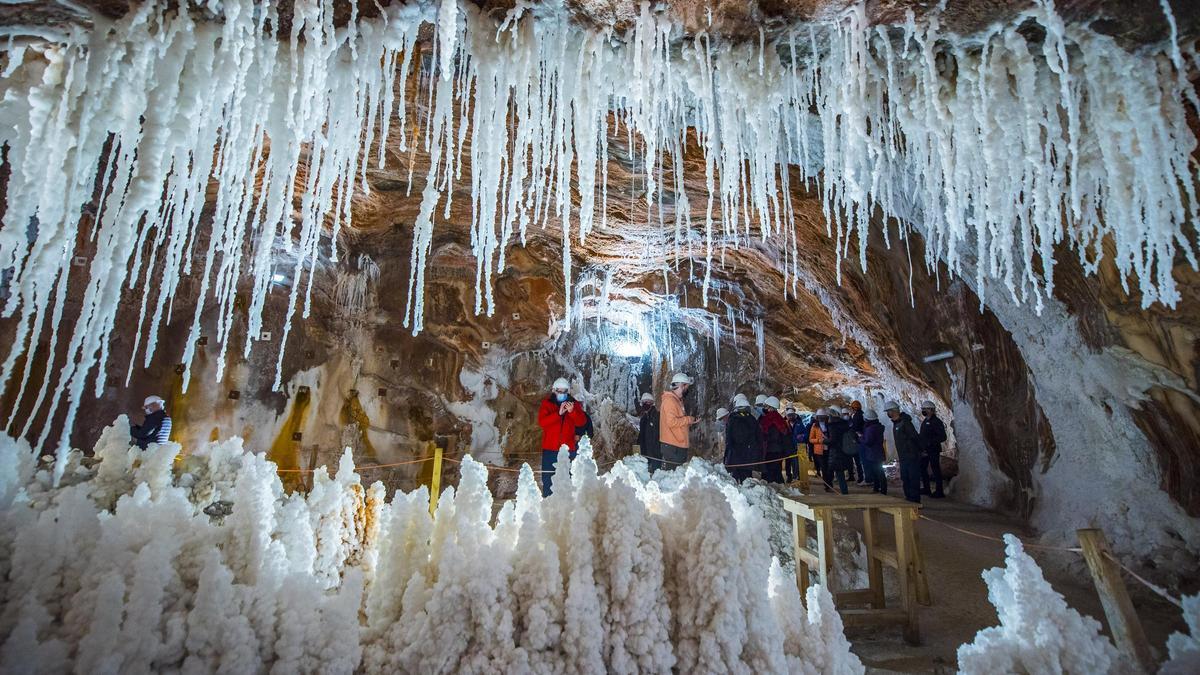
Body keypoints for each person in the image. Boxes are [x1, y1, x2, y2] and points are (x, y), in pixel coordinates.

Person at [537, 377, 587, 496]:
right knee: (548, 478)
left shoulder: (574, 404)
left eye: (564, 391)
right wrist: (558, 414)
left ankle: (568, 505)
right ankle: (548, 503)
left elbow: (582, 422)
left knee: (569, 477)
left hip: (569, 449)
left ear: (568, 392)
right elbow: (542, 422)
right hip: (550, 449)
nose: (562, 394)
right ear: (554, 391)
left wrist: (572, 412)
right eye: (559, 391)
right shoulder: (547, 404)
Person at [885, 400, 922, 503]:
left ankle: (915, 500)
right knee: (905, 478)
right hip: (903, 456)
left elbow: (914, 436)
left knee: (913, 478)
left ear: (893, 411)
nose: (888, 414)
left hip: (911, 455)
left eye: (888, 411)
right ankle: (909, 498)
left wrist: (919, 450)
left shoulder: (905, 423)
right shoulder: (896, 423)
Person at [659, 373, 698, 469]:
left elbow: (678, 421)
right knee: (674, 476)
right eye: (687, 387)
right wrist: (689, 419)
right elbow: (671, 422)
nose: (687, 390)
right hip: (673, 446)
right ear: (682, 385)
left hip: (677, 444)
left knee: (677, 474)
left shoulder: (677, 400)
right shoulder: (670, 401)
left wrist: (690, 421)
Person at [724, 394, 761, 483]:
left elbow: (728, 439)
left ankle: (737, 493)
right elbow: (757, 437)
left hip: (735, 454)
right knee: (747, 477)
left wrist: (728, 455)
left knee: (736, 477)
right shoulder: (752, 419)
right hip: (748, 455)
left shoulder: (732, 419)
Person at [918, 400, 947, 498]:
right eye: (923, 409)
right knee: (922, 469)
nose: (923, 411)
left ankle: (939, 491)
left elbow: (943, 436)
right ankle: (927, 489)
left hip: (933, 449)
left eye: (925, 409)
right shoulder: (925, 421)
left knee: (936, 470)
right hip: (925, 450)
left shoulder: (936, 422)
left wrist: (930, 442)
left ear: (931, 410)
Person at [758, 396, 790, 484]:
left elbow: (773, 436)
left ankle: (774, 491)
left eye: (766, 406)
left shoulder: (771, 419)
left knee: (770, 472)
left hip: (772, 450)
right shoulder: (778, 418)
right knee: (776, 471)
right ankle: (778, 488)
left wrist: (764, 438)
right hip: (777, 450)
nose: (764, 408)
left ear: (771, 407)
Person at [858, 409, 887, 494]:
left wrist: (860, 437)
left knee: (878, 472)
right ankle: (879, 489)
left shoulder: (870, 428)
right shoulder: (878, 426)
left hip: (873, 453)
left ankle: (880, 490)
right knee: (878, 472)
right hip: (878, 452)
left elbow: (868, 442)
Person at [825, 407, 852, 494]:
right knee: (840, 473)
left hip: (836, 452)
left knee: (839, 473)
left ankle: (844, 493)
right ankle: (844, 491)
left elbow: (833, 440)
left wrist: (824, 440)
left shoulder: (833, 426)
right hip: (844, 450)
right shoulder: (844, 424)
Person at [636, 392, 662, 473]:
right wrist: (638, 446)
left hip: (655, 453)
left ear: (652, 403)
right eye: (644, 402)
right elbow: (642, 435)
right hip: (646, 452)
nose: (645, 404)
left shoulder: (657, 416)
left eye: (648, 402)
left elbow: (658, 434)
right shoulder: (643, 418)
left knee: (656, 473)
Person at [807, 408, 830, 491]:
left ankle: (829, 482)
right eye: (820, 416)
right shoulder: (814, 426)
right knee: (824, 468)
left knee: (829, 468)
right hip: (819, 451)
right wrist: (820, 441)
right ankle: (827, 485)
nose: (821, 418)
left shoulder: (829, 424)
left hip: (828, 449)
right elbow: (810, 439)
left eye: (823, 416)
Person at [847, 402, 866, 485]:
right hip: (858, 440)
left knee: (858, 461)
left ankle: (862, 477)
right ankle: (862, 477)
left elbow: (855, 428)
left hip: (857, 441)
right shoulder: (861, 415)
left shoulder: (857, 416)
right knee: (858, 461)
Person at [785, 407, 805, 483]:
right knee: (788, 462)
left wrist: (802, 436)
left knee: (796, 462)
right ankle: (788, 476)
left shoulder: (799, 424)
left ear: (794, 415)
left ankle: (796, 476)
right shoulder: (785, 424)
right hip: (788, 446)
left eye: (792, 415)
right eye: (789, 415)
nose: (791, 417)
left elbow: (805, 433)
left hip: (797, 446)